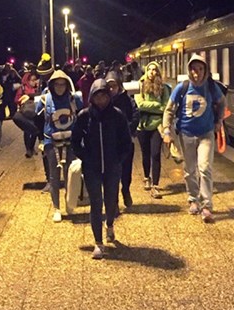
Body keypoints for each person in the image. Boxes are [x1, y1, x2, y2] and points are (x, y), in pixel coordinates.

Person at [72, 79, 133, 259]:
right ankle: (98, 243)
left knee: (111, 200)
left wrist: (119, 159)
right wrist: (85, 156)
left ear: (109, 96)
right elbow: (75, 140)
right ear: (92, 97)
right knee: (96, 203)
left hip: (113, 167)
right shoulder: (84, 116)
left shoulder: (117, 115)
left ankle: (110, 225)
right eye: (97, 96)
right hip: (92, 168)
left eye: (104, 96)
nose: (101, 100)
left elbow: (126, 141)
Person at [162, 54, 225, 222]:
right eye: (193, 69)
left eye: (200, 69)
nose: (196, 73)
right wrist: (167, 130)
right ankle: (193, 200)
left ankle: (207, 206)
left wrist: (219, 120)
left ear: (205, 70)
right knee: (190, 170)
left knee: (204, 168)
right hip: (186, 134)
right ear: (189, 70)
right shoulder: (182, 87)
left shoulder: (211, 87)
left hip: (206, 133)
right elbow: (169, 110)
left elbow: (222, 102)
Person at [36, 69, 83, 222]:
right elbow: (37, 118)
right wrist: (41, 140)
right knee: (54, 176)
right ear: (52, 85)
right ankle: (56, 208)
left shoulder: (73, 99)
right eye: (57, 84)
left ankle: (70, 202)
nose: (60, 87)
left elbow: (82, 116)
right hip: (51, 141)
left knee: (71, 174)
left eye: (63, 84)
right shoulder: (45, 99)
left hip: (70, 141)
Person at [136, 62, 171, 199]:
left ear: (158, 72)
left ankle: (155, 185)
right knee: (145, 153)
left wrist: (150, 107)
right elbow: (140, 104)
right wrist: (157, 105)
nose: (151, 72)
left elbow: (166, 106)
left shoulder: (163, 87)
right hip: (142, 125)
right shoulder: (140, 85)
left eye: (154, 70)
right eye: (149, 69)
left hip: (158, 125)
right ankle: (146, 177)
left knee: (155, 154)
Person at [105, 71, 139, 208]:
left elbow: (136, 114)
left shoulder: (127, 100)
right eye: (109, 87)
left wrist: (128, 130)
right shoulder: (102, 100)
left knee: (126, 170)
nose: (112, 89)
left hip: (125, 142)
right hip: (109, 144)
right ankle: (114, 201)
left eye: (114, 86)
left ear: (119, 85)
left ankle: (126, 190)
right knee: (112, 173)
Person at [15, 70, 41, 158]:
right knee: (26, 131)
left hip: (34, 112)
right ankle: (28, 150)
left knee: (35, 130)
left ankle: (32, 147)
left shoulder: (37, 88)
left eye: (35, 80)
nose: (34, 82)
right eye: (32, 80)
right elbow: (17, 99)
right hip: (25, 112)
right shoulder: (22, 88)